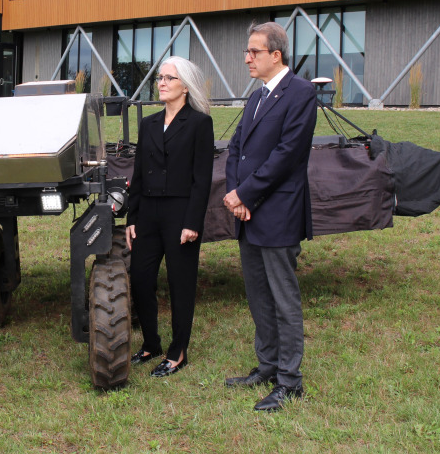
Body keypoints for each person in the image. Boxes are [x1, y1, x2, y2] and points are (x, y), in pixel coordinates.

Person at [223, 22, 317, 412]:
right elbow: (235, 148)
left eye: (253, 52)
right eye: (247, 52)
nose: (247, 58)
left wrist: (245, 193)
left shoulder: (301, 93)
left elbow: (286, 156)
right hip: (248, 213)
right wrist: (236, 196)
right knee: (258, 296)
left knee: (283, 299)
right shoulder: (257, 95)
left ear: (275, 55)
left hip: (277, 213)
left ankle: (290, 381)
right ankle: (267, 366)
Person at [125, 57, 214, 378]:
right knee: (140, 277)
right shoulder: (148, 123)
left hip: (181, 214)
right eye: (159, 78)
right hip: (147, 213)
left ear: (185, 87)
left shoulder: (199, 124)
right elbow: (137, 175)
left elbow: (202, 179)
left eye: (169, 78)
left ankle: (178, 352)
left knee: (181, 284)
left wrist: (193, 223)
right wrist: (132, 217)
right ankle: (151, 343)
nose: (161, 83)